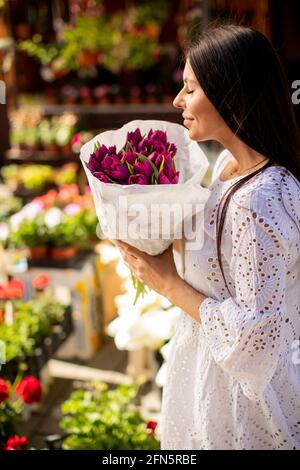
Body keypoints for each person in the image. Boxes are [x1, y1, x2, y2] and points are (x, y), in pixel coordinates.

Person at [117, 24, 300, 450]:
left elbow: (259, 336)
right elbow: (219, 269)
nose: (177, 101)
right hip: (209, 379)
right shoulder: (225, 170)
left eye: (190, 88)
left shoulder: (261, 199)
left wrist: (166, 283)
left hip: (245, 406)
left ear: (230, 92)